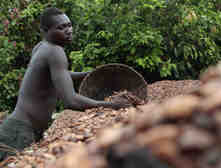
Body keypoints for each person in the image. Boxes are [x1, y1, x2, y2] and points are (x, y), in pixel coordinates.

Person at [0, 7, 129, 160]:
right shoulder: (55, 52)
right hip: (18, 132)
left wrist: (89, 74)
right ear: (45, 30)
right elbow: (71, 100)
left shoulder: (42, 47)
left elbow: (59, 76)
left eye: (69, 25)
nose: (68, 30)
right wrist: (113, 105)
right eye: (61, 27)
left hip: (20, 128)